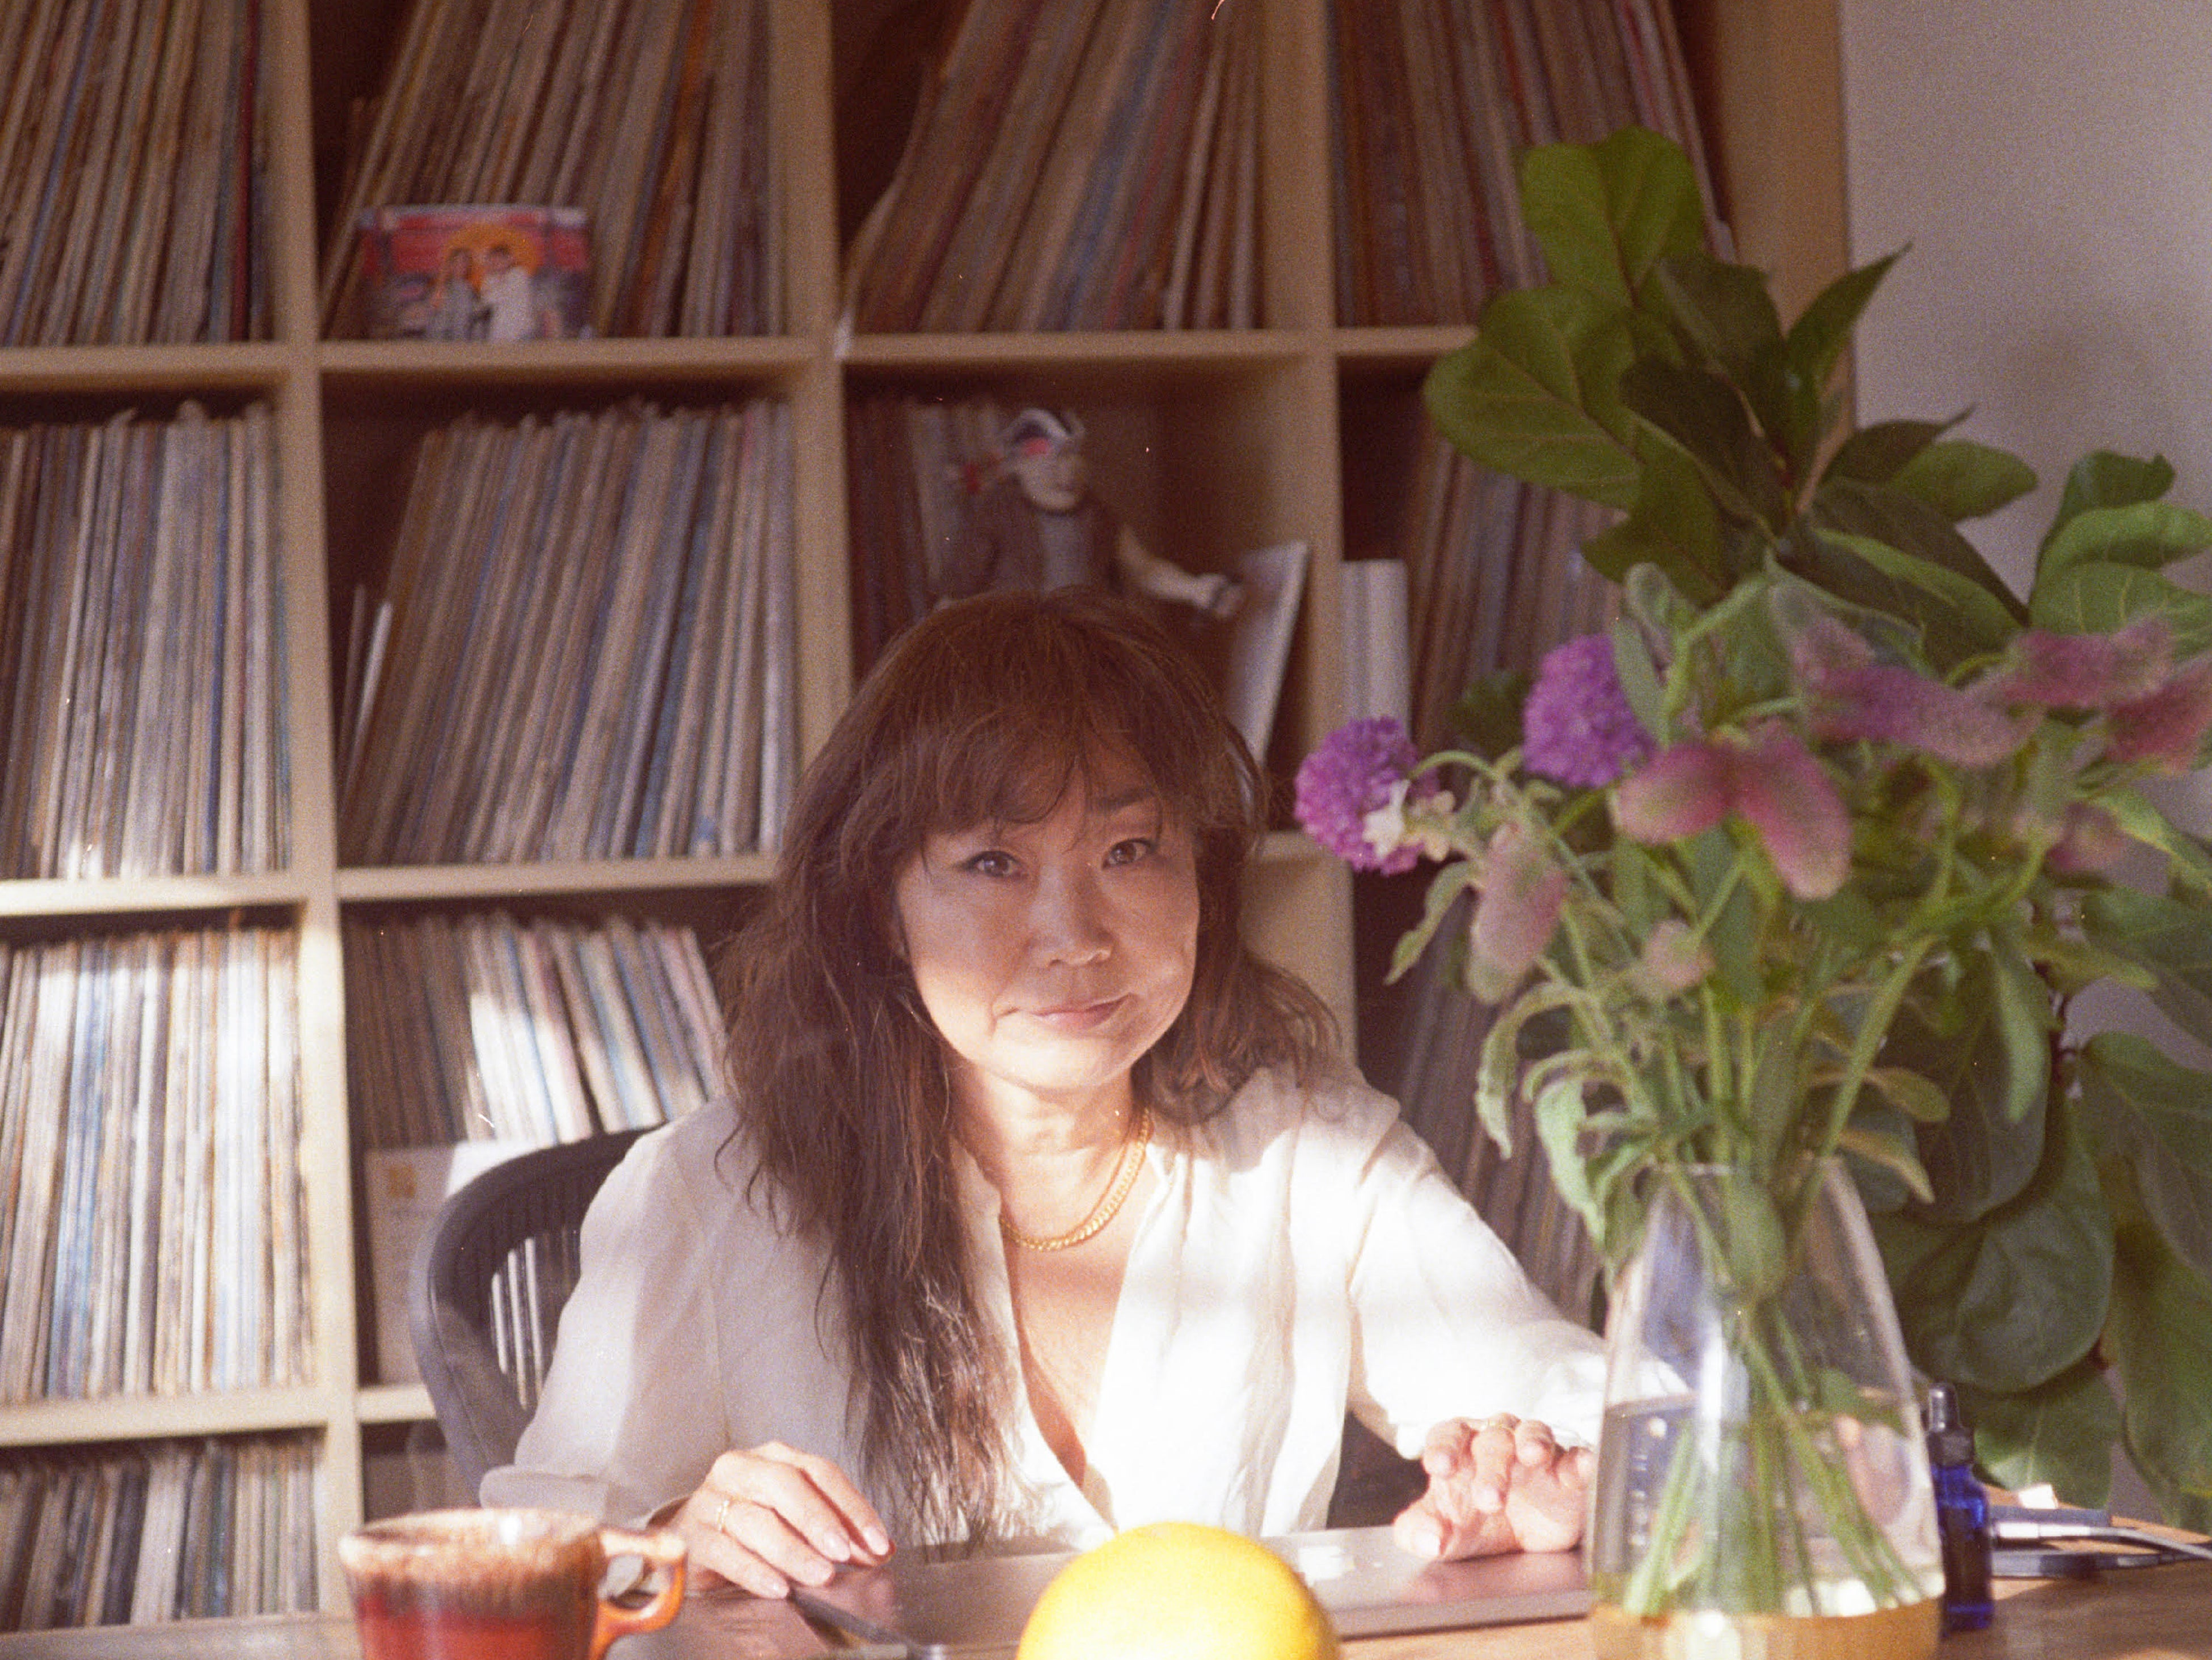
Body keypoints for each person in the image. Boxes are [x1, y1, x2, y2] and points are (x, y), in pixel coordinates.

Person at [482, 589, 1605, 1598]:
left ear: (1202, 877)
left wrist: (1556, 1478)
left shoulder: (1311, 1153)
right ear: (881, 908)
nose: (1075, 937)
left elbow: (1572, 1398)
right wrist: (679, 1539)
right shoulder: (706, 1193)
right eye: (993, 863)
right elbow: (531, 1559)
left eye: (1129, 851)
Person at [938, 408, 1241, 619]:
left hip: (1087, 638)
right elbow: (957, 592)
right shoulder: (998, 515)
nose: (1067, 473)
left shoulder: (1096, 515)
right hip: (1017, 643)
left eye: (1073, 460)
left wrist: (1195, 589)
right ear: (1020, 466)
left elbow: (1145, 569)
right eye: (1054, 463)